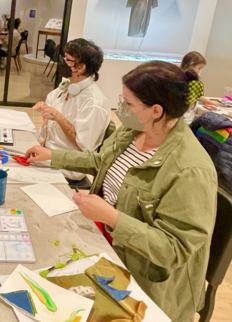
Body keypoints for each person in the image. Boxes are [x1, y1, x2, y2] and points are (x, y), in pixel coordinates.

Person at [25, 61, 217, 322]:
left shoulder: (190, 169)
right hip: (106, 241)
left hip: (144, 278)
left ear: (156, 110)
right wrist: (52, 155)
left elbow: (174, 249)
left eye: (128, 103)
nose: (121, 107)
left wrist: (112, 217)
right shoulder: (134, 130)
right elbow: (99, 160)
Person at [33, 38, 111, 181]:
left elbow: (84, 147)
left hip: (67, 166)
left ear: (80, 67)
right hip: (47, 150)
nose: (62, 62)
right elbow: (49, 124)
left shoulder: (94, 103)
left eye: (67, 60)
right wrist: (45, 110)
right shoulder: (65, 88)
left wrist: (58, 116)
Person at [180, 51, 218, 124]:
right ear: (191, 65)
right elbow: (198, 96)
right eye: (199, 68)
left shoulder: (179, 77)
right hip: (185, 117)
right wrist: (211, 102)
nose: (198, 71)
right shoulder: (189, 81)